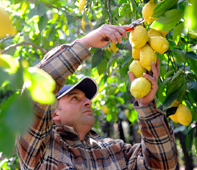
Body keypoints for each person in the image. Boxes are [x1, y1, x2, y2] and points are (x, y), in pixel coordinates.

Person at [16, 24, 177, 170]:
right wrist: (85, 43)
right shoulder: (42, 150)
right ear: (54, 113)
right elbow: (36, 89)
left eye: (87, 98)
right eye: (74, 98)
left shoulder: (116, 151)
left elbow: (162, 164)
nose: (87, 102)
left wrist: (147, 107)